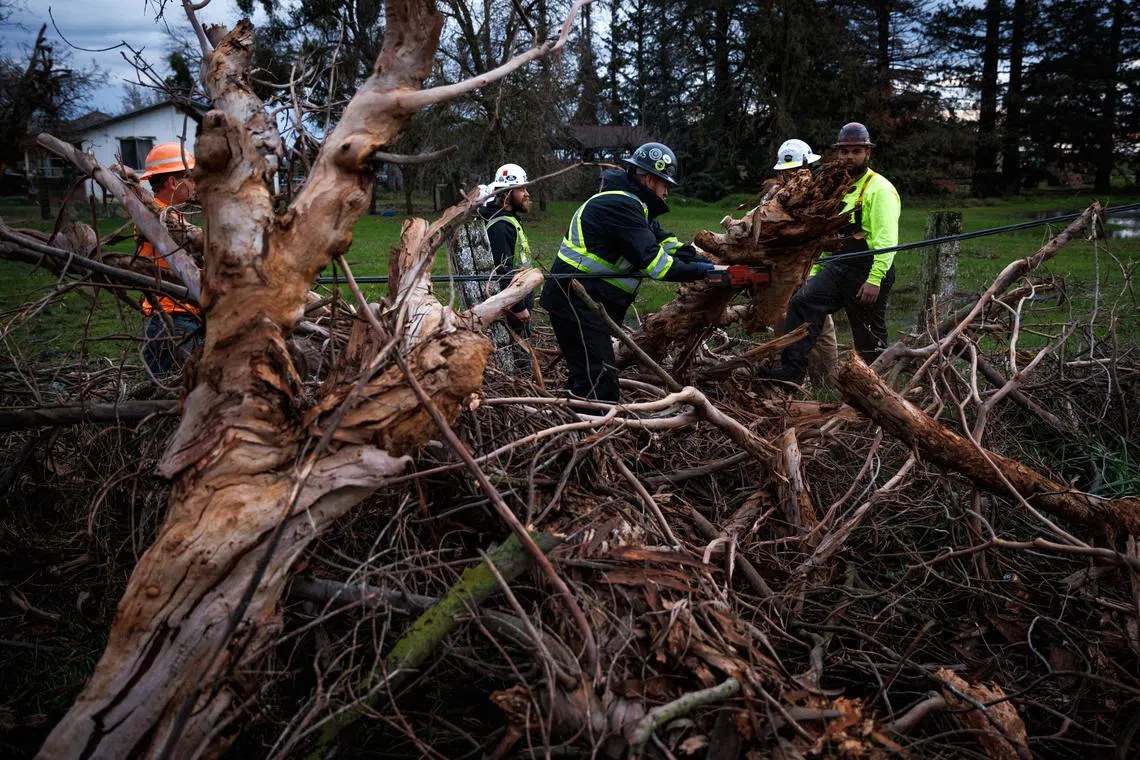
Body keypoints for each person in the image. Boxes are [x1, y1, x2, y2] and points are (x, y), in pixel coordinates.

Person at [540, 142, 727, 402]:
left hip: (584, 302)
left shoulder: (636, 206)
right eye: (666, 185)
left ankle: (575, 426)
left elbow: (666, 242)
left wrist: (710, 257)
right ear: (649, 179)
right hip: (575, 301)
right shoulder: (621, 206)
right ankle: (588, 434)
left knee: (590, 376)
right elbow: (657, 266)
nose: (667, 193)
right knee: (599, 382)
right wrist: (708, 272)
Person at [759, 122, 900, 384]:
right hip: (837, 266)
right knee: (802, 303)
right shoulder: (836, 186)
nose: (849, 157)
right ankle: (791, 373)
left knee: (868, 336)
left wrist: (875, 278)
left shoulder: (880, 189)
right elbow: (827, 236)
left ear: (867, 153)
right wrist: (813, 273)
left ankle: (878, 389)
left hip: (867, 269)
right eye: (844, 151)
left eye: (856, 151)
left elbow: (886, 241)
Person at [135, 142, 202, 379]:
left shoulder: (167, 213)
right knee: (171, 396)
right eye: (190, 177)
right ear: (173, 182)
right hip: (171, 319)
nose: (195, 183)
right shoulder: (158, 217)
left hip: (180, 315)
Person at [477, 163, 534, 339]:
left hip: (518, 301)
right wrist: (519, 308)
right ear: (508, 193)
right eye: (521, 189)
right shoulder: (501, 226)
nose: (527, 193)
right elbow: (503, 270)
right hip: (511, 311)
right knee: (521, 360)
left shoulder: (510, 220)